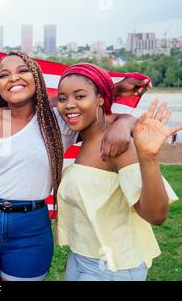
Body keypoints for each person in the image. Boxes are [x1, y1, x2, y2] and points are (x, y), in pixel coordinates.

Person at [0, 52, 143, 281]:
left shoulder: (58, 121)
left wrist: (123, 121)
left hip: (30, 230)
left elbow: (91, 107)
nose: (13, 78)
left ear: (37, 77)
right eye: (4, 75)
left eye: (23, 71)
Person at [56, 63, 180, 281]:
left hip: (113, 267)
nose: (69, 105)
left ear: (101, 98)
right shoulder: (88, 134)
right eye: (63, 98)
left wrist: (148, 158)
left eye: (80, 96)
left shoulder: (117, 143)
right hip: (82, 257)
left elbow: (156, 215)